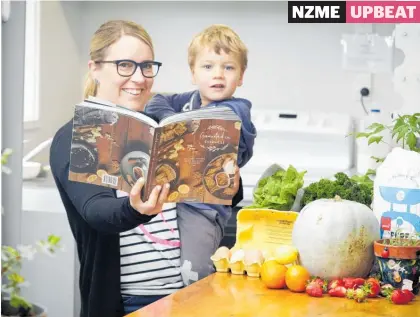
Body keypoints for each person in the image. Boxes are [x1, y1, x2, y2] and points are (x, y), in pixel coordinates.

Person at [50, 20, 241, 317]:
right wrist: (136, 208)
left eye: (146, 66)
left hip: (190, 295)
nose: (139, 78)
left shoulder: (160, 127)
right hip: (132, 302)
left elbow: (197, 199)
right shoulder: (78, 135)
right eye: (125, 65)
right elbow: (95, 211)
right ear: (95, 68)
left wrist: (227, 183)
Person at [145, 24, 257, 284]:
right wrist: (170, 119)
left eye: (228, 67)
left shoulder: (235, 110)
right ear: (193, 73)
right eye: (208, 67)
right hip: (170, 199)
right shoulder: (189, 100)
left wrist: (172, 125)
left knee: (193, 273)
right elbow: (156, 100)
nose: (218, 74)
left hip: (203, 208)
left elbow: (194, 129)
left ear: (240, 76)